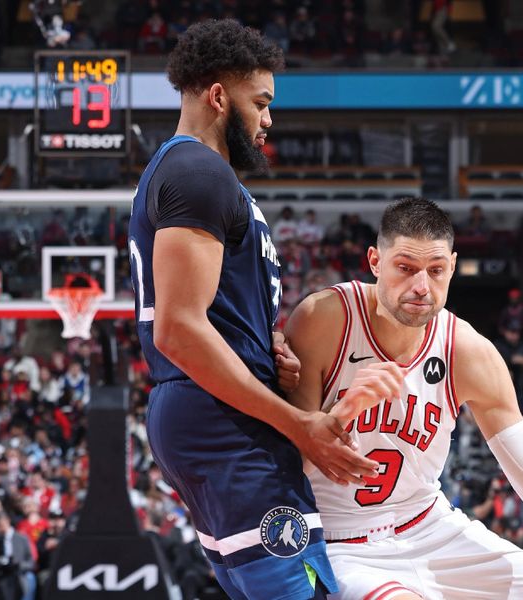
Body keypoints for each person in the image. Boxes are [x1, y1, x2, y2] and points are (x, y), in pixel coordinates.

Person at [128, 20, 378, 600]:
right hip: (222, 421)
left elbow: (209, 316)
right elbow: (179, 329)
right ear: (219, 96)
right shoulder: (198, 173)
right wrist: (300, 426)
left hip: (212, 411)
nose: (269, 119)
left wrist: (266, 351)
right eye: (260, 103)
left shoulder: (198, 175)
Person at [284, 198, 523, 599]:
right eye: (405, 268)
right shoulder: (324, 318)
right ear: (375, 261)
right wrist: (342, 412)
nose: (422, 286)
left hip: (430, 528)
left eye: (436, 271)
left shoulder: (469, 351)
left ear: (452, 267)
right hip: (339, 540)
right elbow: (284, 465)